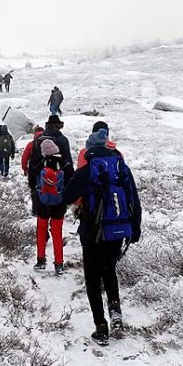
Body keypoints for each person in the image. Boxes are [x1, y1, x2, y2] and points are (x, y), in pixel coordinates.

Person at [63, 128, 142, 345]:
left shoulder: (87, 170)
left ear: (90, 150)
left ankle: (101, 328)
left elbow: (67, 196)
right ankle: (116, 312)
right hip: (118, 230)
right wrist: (135, 229)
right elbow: (134, 198)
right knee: (109, 271)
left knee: (92, 279)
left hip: (92, 232)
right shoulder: (121, 168)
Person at [28, 116, 74, 217]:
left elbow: (33, 163)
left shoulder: (38, 141)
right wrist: (70, 183)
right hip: (59, 183)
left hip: (41, 182)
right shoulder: (63, 140)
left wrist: (32, 182)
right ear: (58, 125)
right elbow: (68, 163)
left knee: (42, 215)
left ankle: (43, 232)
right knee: (57, 216)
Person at [34, 139, 68, 274]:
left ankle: (41, 260)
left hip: (42, 203)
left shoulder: (40, 165)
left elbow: (33, 181)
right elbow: (70, 182)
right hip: (59, 205)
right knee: (57, 233)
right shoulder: (65, 164)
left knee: (41, 232)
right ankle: (59, 263)